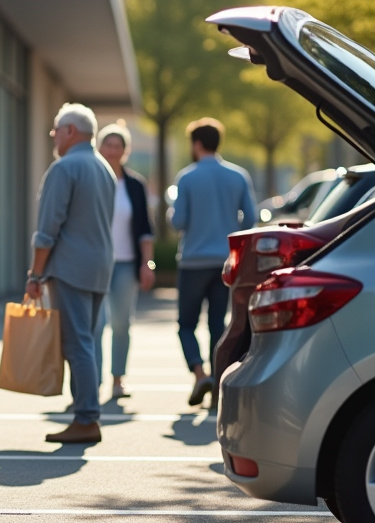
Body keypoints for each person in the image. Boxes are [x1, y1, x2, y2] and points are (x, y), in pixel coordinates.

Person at [26, 103, 115, 444]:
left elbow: (47, 230)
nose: (53, 136)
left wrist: (35, 275)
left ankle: (86, 417)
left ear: (70, 132)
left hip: (70, 268)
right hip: (99, 266)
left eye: (56, 130)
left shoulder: (64, 168)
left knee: (77, 344)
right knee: (87, 341)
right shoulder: (103, 167)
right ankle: (84, 410)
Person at [169, 118, 256, 407]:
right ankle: (218, 384)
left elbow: (178, 221)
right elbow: (251, 219)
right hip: (225, 262)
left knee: (186, 324)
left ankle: (199, 373)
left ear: (196, 144)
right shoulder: (238, 176)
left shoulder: (187, 177)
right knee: (217, 324)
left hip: (193, 260)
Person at [92, 123, 155, 400]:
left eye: (118, 146)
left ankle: (118, 380)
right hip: (95, 263)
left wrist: (147, 263)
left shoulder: (135, 185)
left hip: (127, 264)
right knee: (94, 324)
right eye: (108, 145)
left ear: (125, 151)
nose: (113, 150)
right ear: (99, 147)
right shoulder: (91, 180)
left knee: (120, 323)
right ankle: (91, 381)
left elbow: (145, 228)